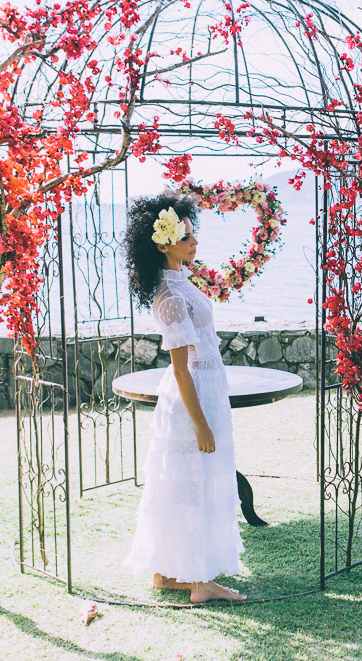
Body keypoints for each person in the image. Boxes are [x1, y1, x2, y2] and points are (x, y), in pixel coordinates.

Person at [122, 191, 246, 603]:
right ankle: (201, 582)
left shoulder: (181, 282)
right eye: (188, 238)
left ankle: (166, 573)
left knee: (185, 485)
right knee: (196, 483)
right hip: (192, 398)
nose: (195, 244)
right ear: (164, 244)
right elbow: (179, 367)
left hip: (207, 388)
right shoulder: (171, 297)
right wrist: (201, 423)